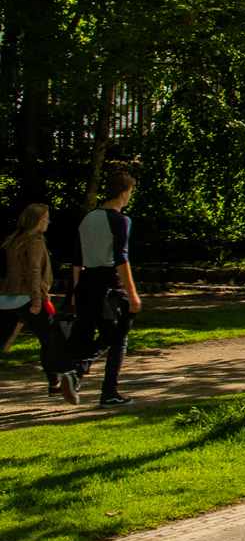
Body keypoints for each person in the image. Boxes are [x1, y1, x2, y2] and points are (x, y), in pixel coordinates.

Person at [70, 172, 142, 407]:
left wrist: (74, 290)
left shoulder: (87, 218)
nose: (130, 196)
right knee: (119, 337)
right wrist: (132, 293)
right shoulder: (121, 220)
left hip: (86, 281)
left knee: (106, 334)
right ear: (123, 192)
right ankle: (107, 390)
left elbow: (77, 258)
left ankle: (78, 371)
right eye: (130, 192)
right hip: (109, 283)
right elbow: (121, 257)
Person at [1, 203, 81, 405]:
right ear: (36, 221)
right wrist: (38, 300)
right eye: (45, 218)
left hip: (8, 297)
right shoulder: (35, 242)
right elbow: (34, 272)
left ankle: (54, 384)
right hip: (29, 297)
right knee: (50, 340)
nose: (48, 221)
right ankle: (54, 384)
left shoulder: (14, 240)